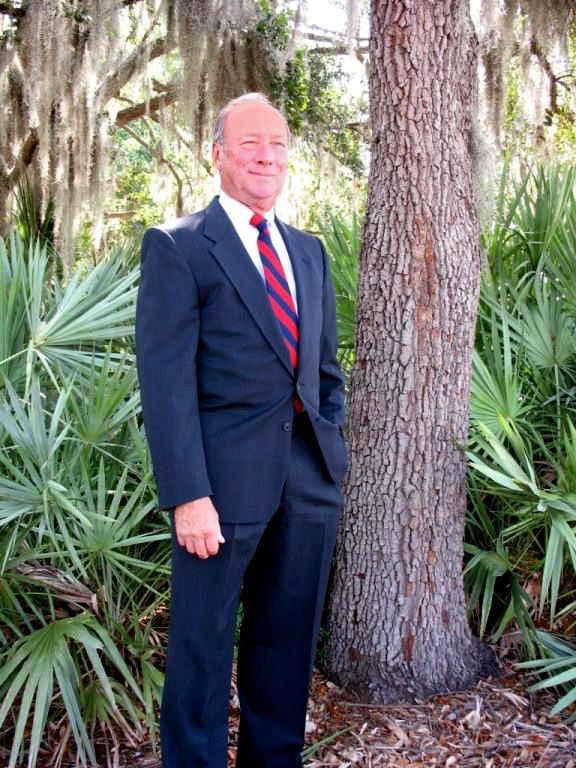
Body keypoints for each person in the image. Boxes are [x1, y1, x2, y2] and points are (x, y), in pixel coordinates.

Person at [136, 92, 348, 768]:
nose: (266, 155)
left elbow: (323, 372)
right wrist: (187, 496)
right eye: (251, 143)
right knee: (200, 651)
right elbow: (165, 384)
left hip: (306, 487)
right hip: (218, 495)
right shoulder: (179, 246)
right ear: (219, 154)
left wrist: (330, 459)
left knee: (284, 649)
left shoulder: (308, 252)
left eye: (278, 144)